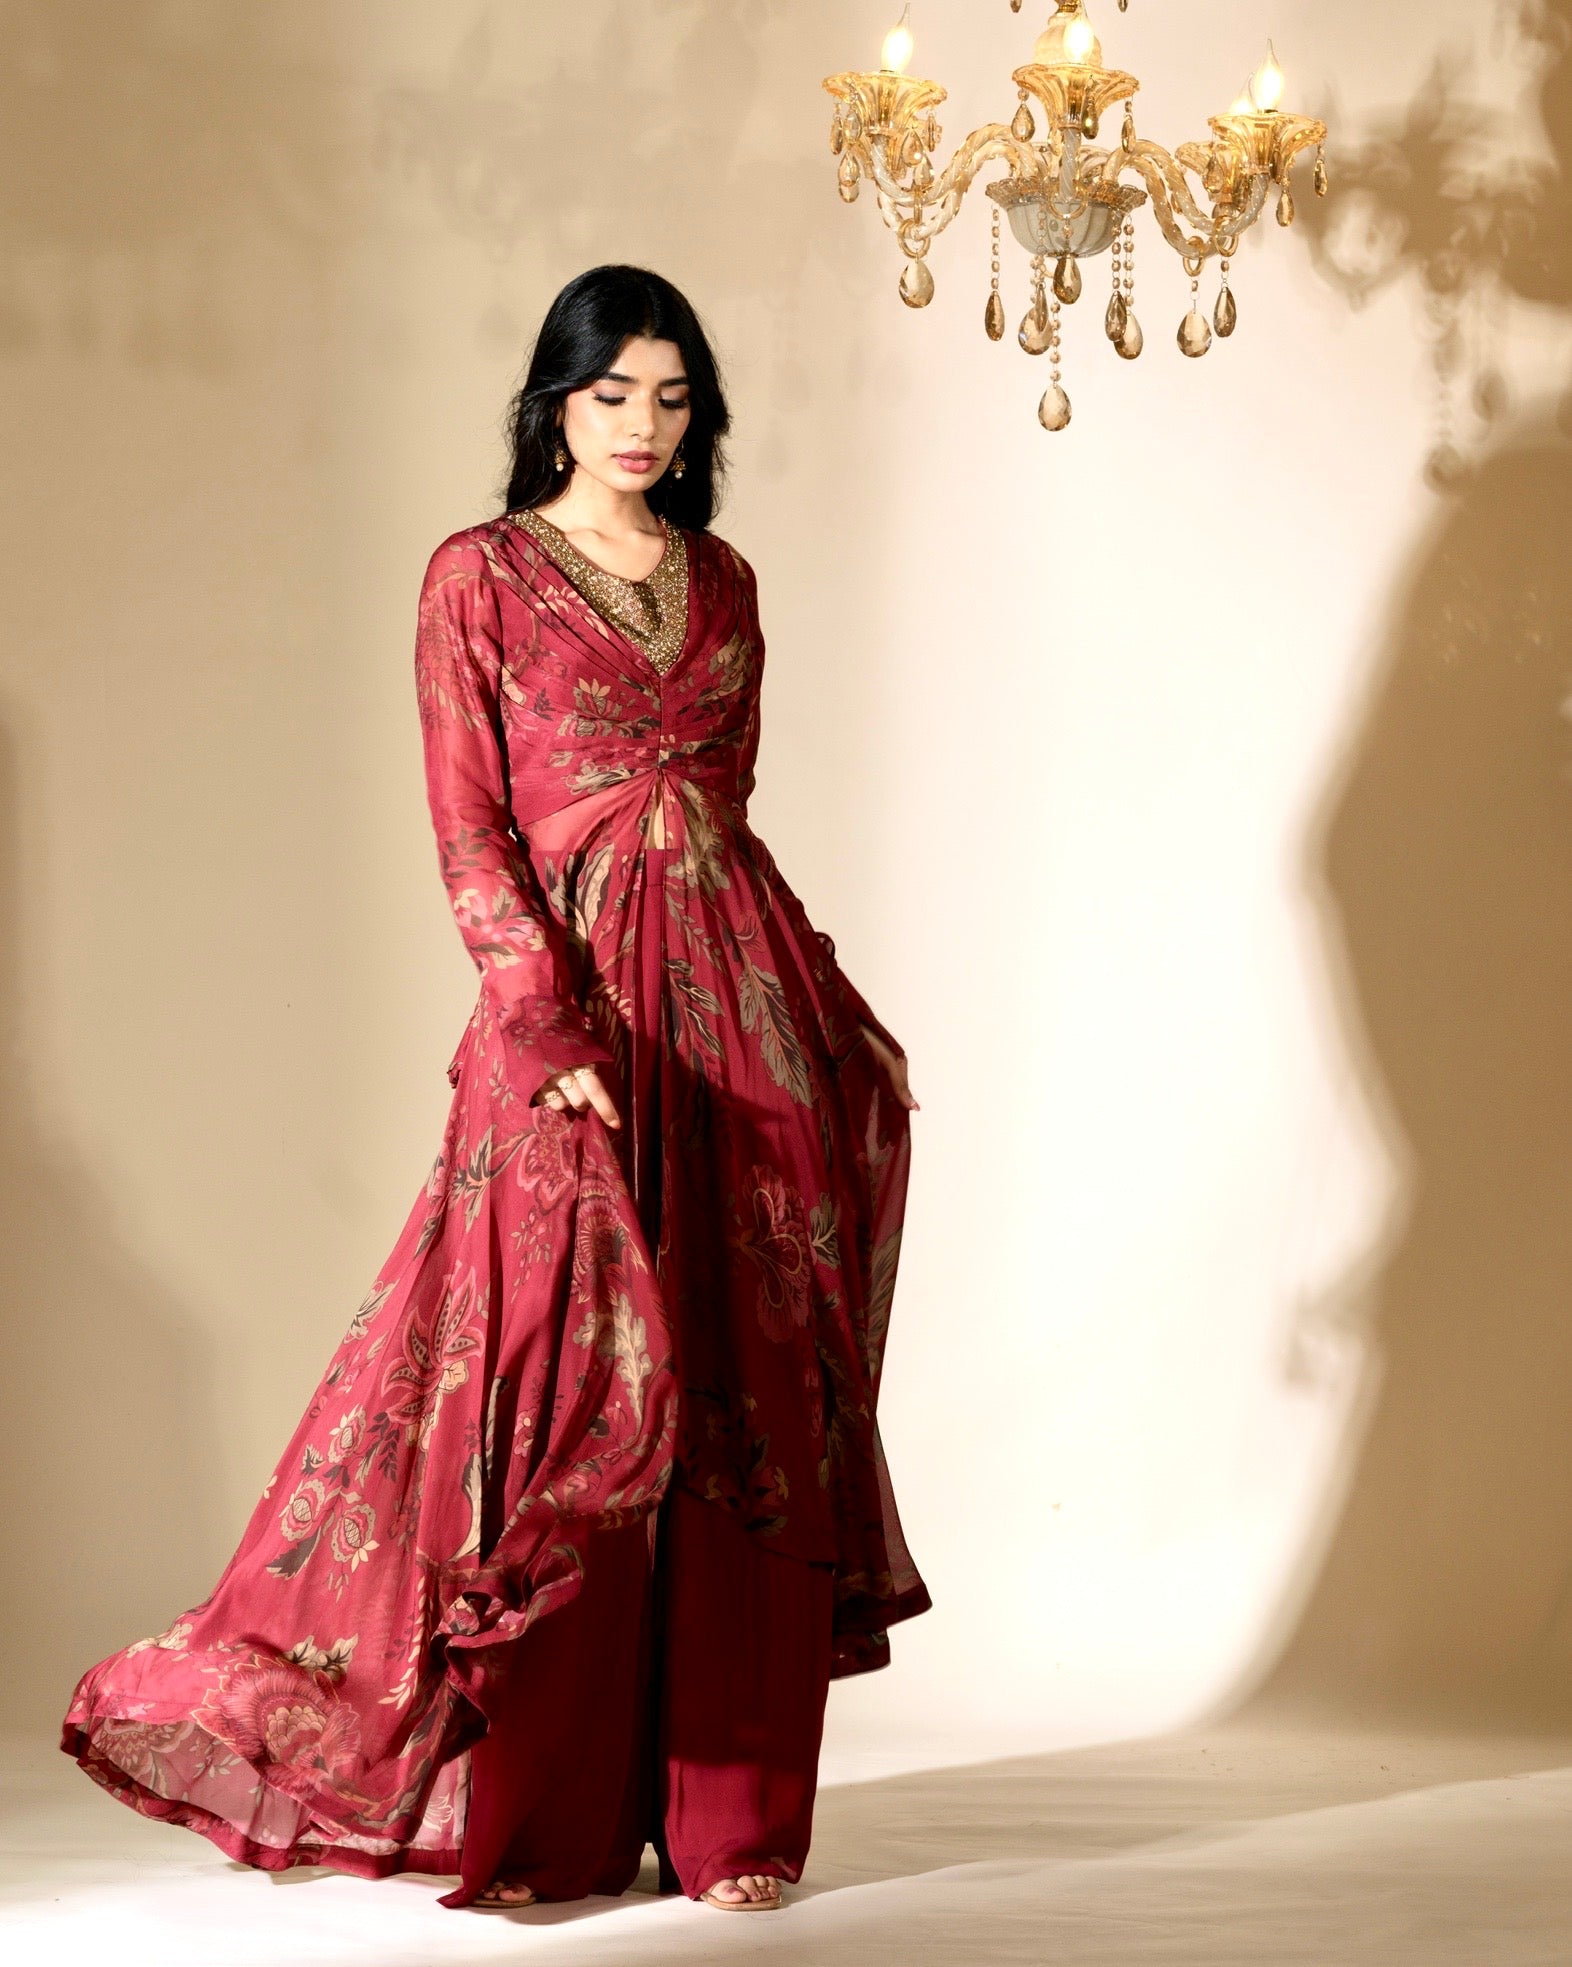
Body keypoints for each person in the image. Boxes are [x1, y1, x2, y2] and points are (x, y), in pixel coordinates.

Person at [60, 263, 929, 1915]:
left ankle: (739, 1825)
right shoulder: (478, 579)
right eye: (616, 398)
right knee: (566, 1415)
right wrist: (545, 1033)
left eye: (674, 401)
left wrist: (819, 1002)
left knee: (750, 1398)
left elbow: (720, 821)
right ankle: (554, 1825)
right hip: (577, 1031)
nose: (646, 431)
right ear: (555, 404)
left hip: (741, 1024)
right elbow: (474, 835)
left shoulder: (725, 582)